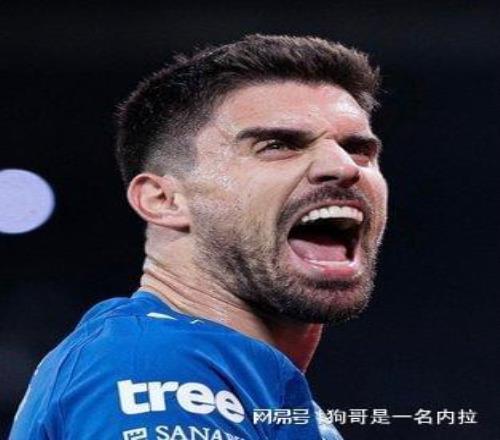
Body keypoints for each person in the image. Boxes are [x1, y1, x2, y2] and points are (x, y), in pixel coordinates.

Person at [10, 34, 387, 440]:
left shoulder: (239, 386)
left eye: (358, 149)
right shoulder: (156, 368)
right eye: (277, 145)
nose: (345, 167)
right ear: (164, 200)